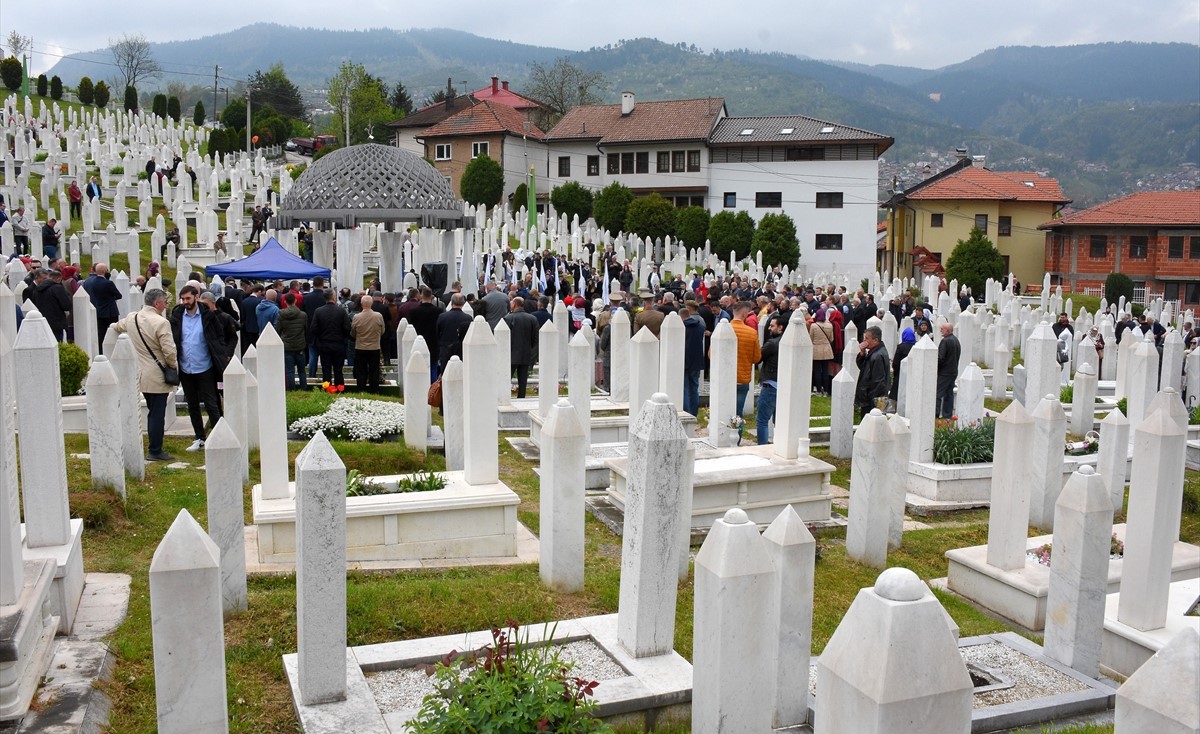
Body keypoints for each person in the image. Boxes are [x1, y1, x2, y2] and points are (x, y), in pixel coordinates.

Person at [112, 288, 177, 461]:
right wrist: (173, 367)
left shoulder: (132, 318)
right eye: (165, 302)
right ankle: (155, 450)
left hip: (139, 372)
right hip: (157, 374)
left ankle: (153, 447)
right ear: (157, 303)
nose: (166, 305)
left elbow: (117, 326)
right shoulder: (161, 322)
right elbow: (169, 351)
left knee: (152, 410)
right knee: (157, 413)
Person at [172, 285, 231, 452]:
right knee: (192, 405)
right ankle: (199, 437)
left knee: (211, 403)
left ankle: (220, 436)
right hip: (185, 367)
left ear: (196, 297)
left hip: (205, 366)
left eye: (188, 299)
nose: (185, 302)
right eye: (182, 299)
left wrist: (221, 355)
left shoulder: (207, 316)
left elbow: (219, 337)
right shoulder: (177, 315)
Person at [310, 290, 352, 388]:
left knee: (326, 369)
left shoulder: (318, 311)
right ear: (333, 297)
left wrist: (321, 335)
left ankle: (327, 388)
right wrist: (342, 336)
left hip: (324, 343)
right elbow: (347, 328)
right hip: (338, 343)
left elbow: (313, 328)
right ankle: (340, 388)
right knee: (338, 369)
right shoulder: (341, 311)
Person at [756, 315, 784, 445]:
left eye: (772, 326)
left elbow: (757, 357)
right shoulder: (785, 341)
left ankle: (762, 448)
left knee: (762, 420)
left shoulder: (772, 344)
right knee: (779, 420)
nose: (769, 328)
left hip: (770, 385)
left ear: (780, 327)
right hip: (783, 386)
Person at [730, 301, 761, 417]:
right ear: (744, 314)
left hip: (726, 377)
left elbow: (711, 354)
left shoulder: (722, 328)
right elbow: (757, 358)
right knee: (738, 413)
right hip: (742, 378)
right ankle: (738, 434)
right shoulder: (751, 333)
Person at [503, 296, 539, 398]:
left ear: (514, 305)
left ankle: (505, 397)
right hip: (526, 354)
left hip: (511, 354)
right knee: (523, 381)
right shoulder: (532, 318)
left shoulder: (508, 318)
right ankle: (521, 397)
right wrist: (532, 354)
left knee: (506, 379)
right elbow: (535, 339)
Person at [83, 262, 123, 352]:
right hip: (110, 311)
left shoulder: (91, 282)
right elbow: (119, 295)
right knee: (113, 331)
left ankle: (101, 350)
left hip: (98, 310)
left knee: (101, 333)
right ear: (104, 271)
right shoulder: (108, 283)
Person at [25, 268, 72, 341]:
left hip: (42, 323)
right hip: (57, 323)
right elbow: (66, 306)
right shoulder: (57, 288)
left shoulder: (36, 290)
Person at [350, 294, 384, 391]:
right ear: (371, 303)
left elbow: (353, 333)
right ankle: (374, 389)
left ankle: (361, 389)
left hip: (360, 346)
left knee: (361, 370)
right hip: (374, 347)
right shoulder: (378, 316)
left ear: (361, 304)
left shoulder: (357, 317)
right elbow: (382, 331)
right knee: (374, 370)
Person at [855, 325, 891, 417]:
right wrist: (862, 353)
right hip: (873, 399)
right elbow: (864, 369)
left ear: (875, 340)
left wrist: (870, 401)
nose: (864, 341)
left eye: (867, 338)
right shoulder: (874, 352)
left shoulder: (877, 356)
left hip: (874, 401)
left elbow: (878, 382)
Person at [277, 292, 309, 389]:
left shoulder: (281, 314)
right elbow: (306, 329)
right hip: (300, 345)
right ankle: (304, 388)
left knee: (290, 370)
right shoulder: (303, 315)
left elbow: (278, 330)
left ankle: (292, 389)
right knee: (301, 370)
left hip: (287, 345)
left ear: (285, 301)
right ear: (295, 300)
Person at [436, 293, 473, 375]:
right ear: (463, 303)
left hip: (445, 350)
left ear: (451, 302)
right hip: (462, 351)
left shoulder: (442, 317)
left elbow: (437, 333)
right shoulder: (468, 318)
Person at [682, 299, 706, 416]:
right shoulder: (700, 326)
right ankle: (694, 413)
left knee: (685, 388)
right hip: (696, 361)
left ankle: (686, 413)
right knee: (694, 389)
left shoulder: (682, 328)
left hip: (685, 360)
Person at [936, 322, 961, 419]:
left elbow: (941, 358)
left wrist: (936, 368)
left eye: (942, 329)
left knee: (938, 393)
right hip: (953, 371)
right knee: (949, 394)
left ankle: (935, 413)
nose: (940, 330)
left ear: (947, 330)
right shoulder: (956, 340)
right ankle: (947, 414)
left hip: (944, 372)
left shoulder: (945, 341)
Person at [809, 308, 835, 396]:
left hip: (816, 349)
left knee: (817, 371)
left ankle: (819, 390)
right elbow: (831, 338)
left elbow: (811, 338)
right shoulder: (830, 325)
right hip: (827, 349)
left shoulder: (814, 326)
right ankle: (826, 390)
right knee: (825, 370)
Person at [889, 327, 917, 406]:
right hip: (913, 373)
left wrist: (896, 372)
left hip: (901, 373)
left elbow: (896, 362)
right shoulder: (916, 346)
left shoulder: (901, 347)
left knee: (897, 391)